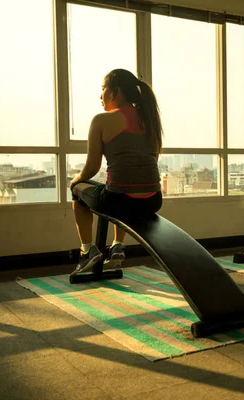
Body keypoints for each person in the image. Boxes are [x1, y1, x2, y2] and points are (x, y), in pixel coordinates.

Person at [69, 69, 164, 275]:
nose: (100, 96)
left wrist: (75, 180)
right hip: (153, 200)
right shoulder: (149, 119)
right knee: (114, 187)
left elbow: (92, 168)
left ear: (115, 92)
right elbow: (152, 160)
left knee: (79, 191)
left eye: (103, 89)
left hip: (119, 201)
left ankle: (87, 250)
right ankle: (117, 246)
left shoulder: (101, 120)